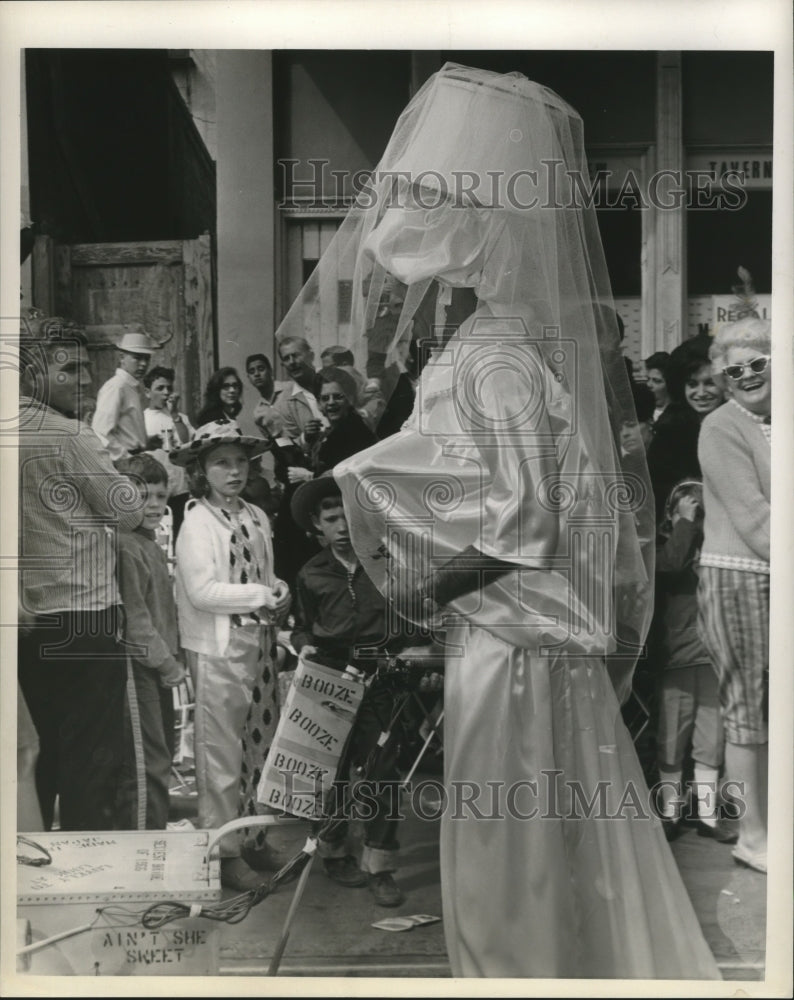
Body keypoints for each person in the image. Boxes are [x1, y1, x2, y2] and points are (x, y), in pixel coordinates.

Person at [288, 63, 720, 978]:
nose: (400, 219)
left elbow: (521, 524)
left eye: (430, 197)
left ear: (478, 224)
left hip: (515, 646)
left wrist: (419, 589)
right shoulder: (495, 343)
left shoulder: (500, 355)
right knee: (521, 852)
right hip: (514, 637)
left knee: (506, 859)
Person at [18, 316, 142, 830]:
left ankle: (40, 879)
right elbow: (129, 511)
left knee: (37, 755)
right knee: (92, 758)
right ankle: (89, 885)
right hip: (85, 621)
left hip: (26, 624)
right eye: (70, 369)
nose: (87, 380)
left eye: (89, 368)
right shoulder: (69, 436)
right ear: (29, 373)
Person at [290, 476, 426, 907]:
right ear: (317, 525)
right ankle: (333, 851)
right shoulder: (311, 573)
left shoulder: (386, 564)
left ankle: (380, 865)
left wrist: (414, 657)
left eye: (349, 516)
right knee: (332, 771)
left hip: (380, 680)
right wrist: (302, 647)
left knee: (383, 772)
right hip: (330, 680)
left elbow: (409, 619)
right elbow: (302, 629)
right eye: (332, 518)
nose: (342, 526)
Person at [171, 421, 291, 891]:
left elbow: (267, 574)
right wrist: (261, 592)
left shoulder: (256, 516)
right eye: (222, 462)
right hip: (220, 648)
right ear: (202, 470)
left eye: (241, 461)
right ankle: (222, 854)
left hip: (258, 645)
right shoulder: (197, 521)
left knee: (259, 745)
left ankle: (256, 837)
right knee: (221, 754)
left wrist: (278, 591)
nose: (234, 471)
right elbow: (202, 592)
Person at [697, 317, 771, 875]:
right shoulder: (723, 426)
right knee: (746, 709)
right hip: (739, 573)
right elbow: (756, 521)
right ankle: (752, 834)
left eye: (759, 364)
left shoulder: (775, 421)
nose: (747, 375)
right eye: (735, 369)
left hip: (775, 573)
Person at [653, 479, 732, 844]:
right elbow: (668, 567)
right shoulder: (662, 546)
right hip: (677, 659)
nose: (696, 515)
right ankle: (670, 812)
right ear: (671, 514)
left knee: (710, 739)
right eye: (688, 508)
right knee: (672, 737)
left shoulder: (713, 547)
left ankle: (707, 816)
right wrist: (683, 523)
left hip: (711, 657)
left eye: (701, 510)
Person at [115, 453, 187, 830]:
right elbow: (136, 623)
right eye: (143, 496)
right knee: (147, 762)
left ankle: (155, 838)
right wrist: (167, 663)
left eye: (161, 495)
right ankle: (144, 847)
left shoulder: (151, 545)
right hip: (138, 668)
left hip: (158, 666)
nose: (155, 504)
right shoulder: (125, 546)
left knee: (162, 754)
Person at [647, 337, 725, 525]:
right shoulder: (669, 430)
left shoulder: (738, 424)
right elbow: (655, 489)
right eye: (692, 384)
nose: (701, 392)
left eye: (709, 383)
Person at [92, 326, 157, 462]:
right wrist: (126, 458)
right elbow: (101, 433)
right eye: (137, 358)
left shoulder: (133, 386)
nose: (143, 364)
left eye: (147, 359)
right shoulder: (116, 387)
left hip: (138, 458)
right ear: (122, 357)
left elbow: (129, 431)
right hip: (125, 463)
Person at [142, 365, 195, 534]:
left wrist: (175, 416)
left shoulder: (179, 417)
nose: (166, 392)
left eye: (169, 388)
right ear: (148, 393)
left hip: (179, 489)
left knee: (179, 533)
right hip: (154, 490)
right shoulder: (141, 419)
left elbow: (187, 442)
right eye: (160, 388)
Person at [311, 367, 379, 476]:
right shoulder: (334, 431)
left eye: (338, 397)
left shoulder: (355, 430)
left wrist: (309, 476)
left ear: (350, 399)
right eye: (325, 398)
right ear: (318, 404)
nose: (331, 402)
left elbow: (347, 474)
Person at [644, 351, 672, 425]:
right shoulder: (641, 413)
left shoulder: (679, 416)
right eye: (647, 379)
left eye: (656, 381)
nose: (649, 384)